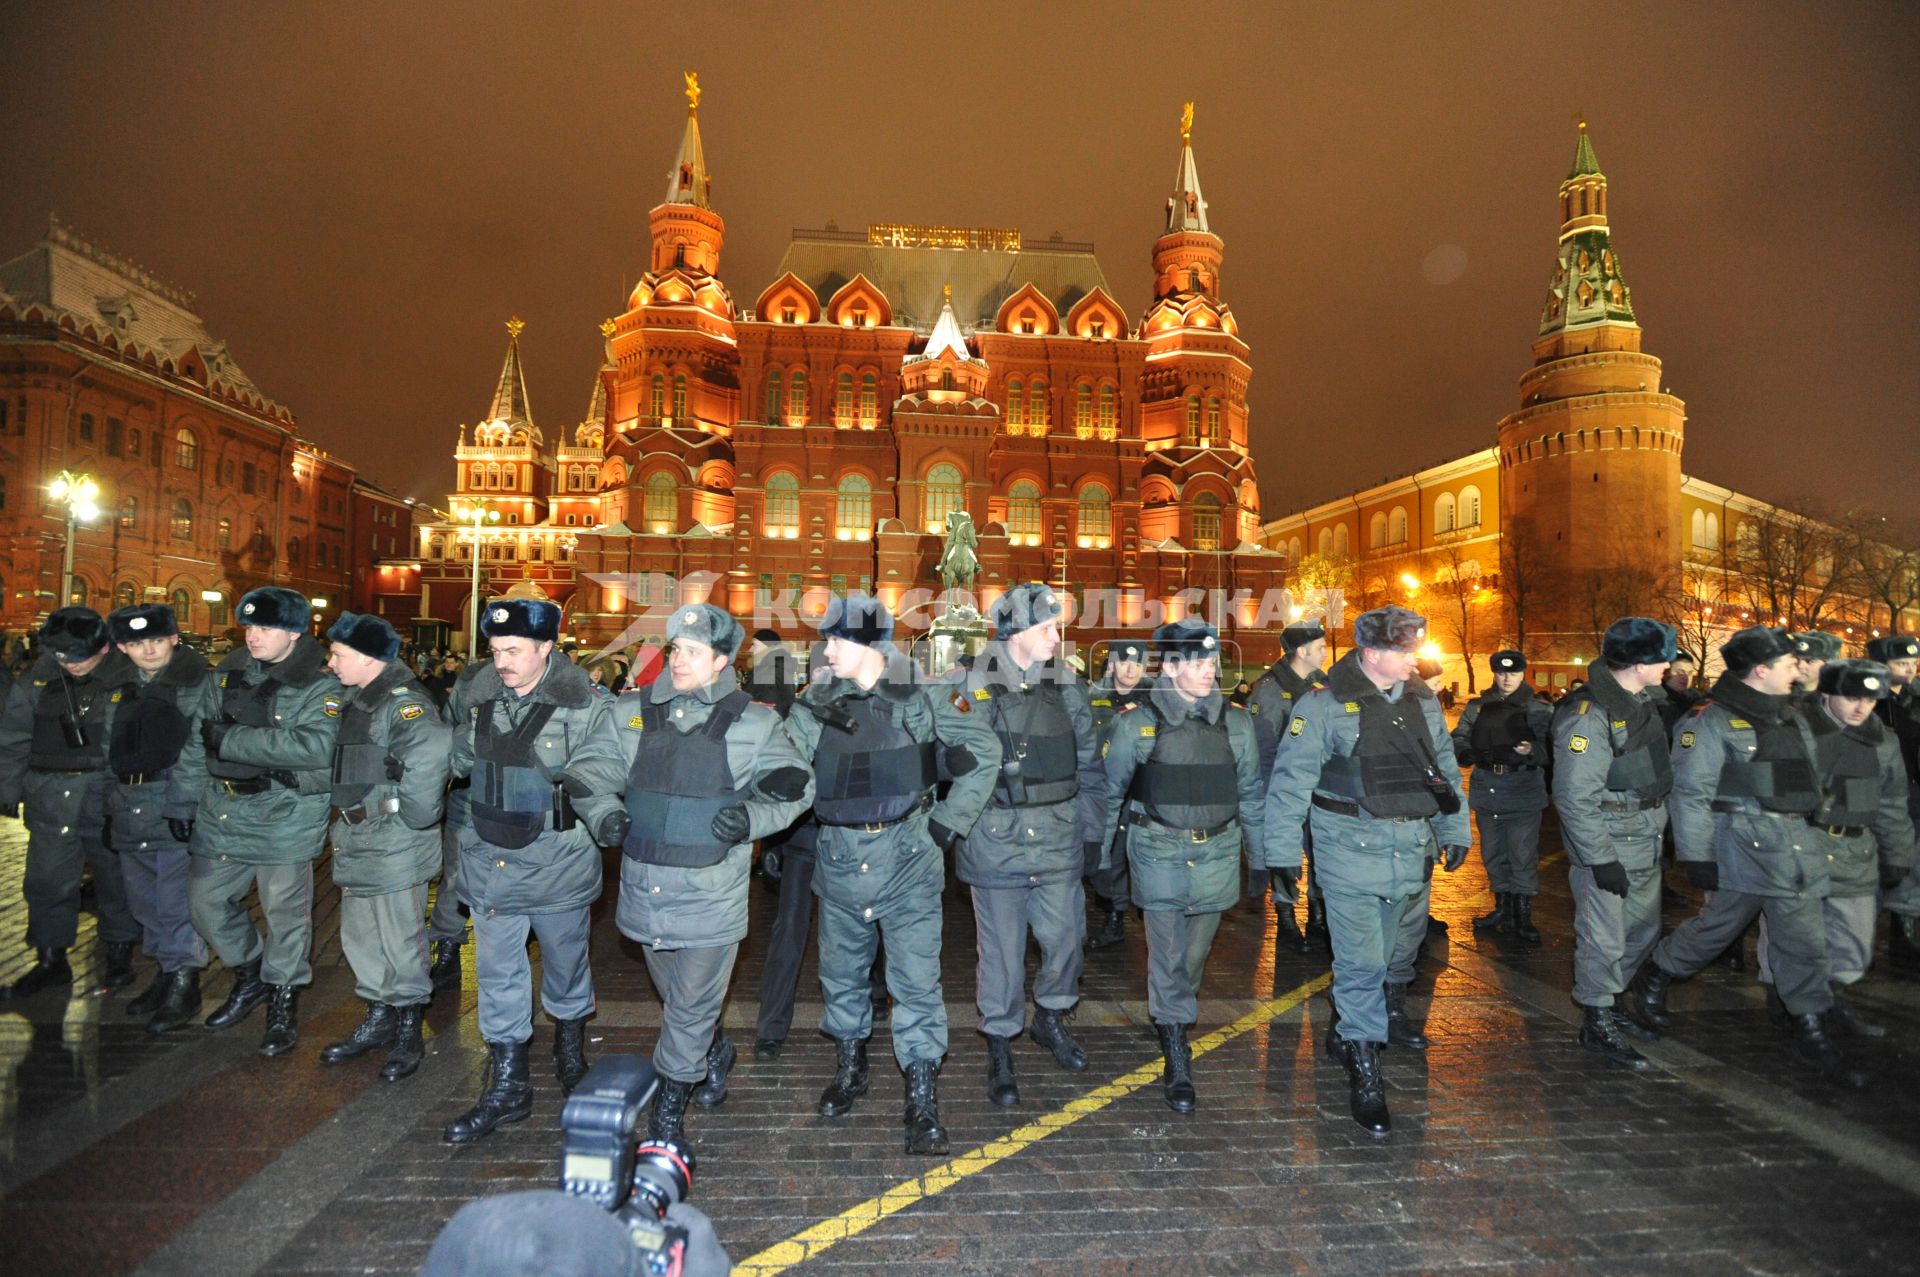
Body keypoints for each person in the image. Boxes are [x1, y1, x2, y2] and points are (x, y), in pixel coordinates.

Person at [781, 592, 1000, 1155]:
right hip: (838, 859)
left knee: (916, 983)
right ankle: (851, 1069)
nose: (825, 651)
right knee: (841, 974)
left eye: (834, 640)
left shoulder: (925, 696)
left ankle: (922, 1100)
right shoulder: (813, 704)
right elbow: (786, 770)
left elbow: (983, 751)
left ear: (866, 643)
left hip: (908, 859)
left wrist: (948, 824)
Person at [605, 604, 814, 1143]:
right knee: (681, 1001)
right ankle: (714, 1047)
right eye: (675, 649)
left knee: (690, 1007)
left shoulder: (757, 721)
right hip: (645, 889)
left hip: (710, 895)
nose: (678, 660)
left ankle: (668, 1113)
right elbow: (591, 765)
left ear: (722, 660)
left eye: (692, 652)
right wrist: (602, 811)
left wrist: (750, 819)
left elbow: (796, 783)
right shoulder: (633, 711)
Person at [1266, 606, 1468, 1138]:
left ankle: (1350, 1024)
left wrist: (1455, 831)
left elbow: (1444, 771)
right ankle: (1365, 1068)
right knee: (1360, 964)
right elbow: (1289, 784)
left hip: (1412, 849)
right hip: (1349, 848)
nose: (1414, 659)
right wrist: (1282, 854)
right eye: (1405, 651)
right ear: (1373, 653)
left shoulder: (1424, 702)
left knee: (1397, 955)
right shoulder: (1324, 706)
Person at [1630, 628, 1863, 1086]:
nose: (1798, 668)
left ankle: (1810, 1029)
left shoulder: (1793, 716)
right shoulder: (1711, 721)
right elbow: (1693, 794)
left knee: (1803, 939)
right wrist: (1699, 857)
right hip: (1742, 846)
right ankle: (1656, 973)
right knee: (1716, 929)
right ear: (1761, 670)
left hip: (1794, 845)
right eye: (1788, 663)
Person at [444, 599, 627, 1143]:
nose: (501, 661)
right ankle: (507, 1085)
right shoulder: (479, 700)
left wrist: (604, 807)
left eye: (514, 651)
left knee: (566, 968)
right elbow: (451, 759)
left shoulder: (588, 705)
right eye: (496, 650)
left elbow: (606, 765)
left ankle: (569, 1052)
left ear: (547, 648)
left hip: (558, 866)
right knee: (498, 975)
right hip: (491, 863)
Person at [1100, 619, 1263, 1114]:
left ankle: (1174, 1012)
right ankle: (1176, 1050)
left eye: (1212, 661)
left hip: (1216, 854)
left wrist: (1259, 859)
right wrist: (1101, 856)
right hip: (1158, 852)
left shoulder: (1237, 723)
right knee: (1166, 955)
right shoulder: (1135, 723)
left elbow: (1252, 794)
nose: (1209, 670)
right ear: (1169, 667)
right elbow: (1110, 794)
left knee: (1192, 960)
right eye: (1197, 662)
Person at [951, 584, 1104, 1108]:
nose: (1058, 638)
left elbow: (1090, 766)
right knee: (1002, 957)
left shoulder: (1068, 686)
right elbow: (951, 766)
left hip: (1060, 838)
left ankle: (1051, 1019)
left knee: (1066, 941)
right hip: (996, 843)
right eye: (1048, 628)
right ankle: (999, 1042)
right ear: (1016, 632)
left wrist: (1093, 836)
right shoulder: (970, 684)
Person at [186, 588, 340, 1056]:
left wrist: (232, 741)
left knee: (285, 917)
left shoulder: (321, 683)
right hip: (223, 809)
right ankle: (250, 972)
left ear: (295, 632)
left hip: (284, 814)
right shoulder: (229, 674)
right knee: (205, 902)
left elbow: (316, 747)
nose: (253, 636)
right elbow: (197, 740)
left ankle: (283, 996)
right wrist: (186, 801)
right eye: (249, 627)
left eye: (265, 628)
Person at [319, 613, 452, 1081]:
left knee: (401, 940)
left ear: (369, 658)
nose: (331, 662)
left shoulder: (403, 702)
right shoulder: (359, 700)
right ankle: (379, 1016)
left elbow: (432, 752)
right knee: (361, 936)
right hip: (358, 837)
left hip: (391, 840)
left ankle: (408, 1027)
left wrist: (413, 816)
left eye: (338, 654)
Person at [1551, 616, 1675, 1070]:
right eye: (1662, 657)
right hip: (1609, 839)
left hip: (1644, 836)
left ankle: (1613, 1001)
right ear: (1640, 661)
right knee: (1604, 938)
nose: (1669, 665)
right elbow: (1573, 795)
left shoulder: (1641, 703)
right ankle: (1596, 1017)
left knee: (1641, 930)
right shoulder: (1589, 714)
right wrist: (1599, 859)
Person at [1763, 660, 1911, 1036]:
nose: (1862, 707)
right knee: (1801, 938)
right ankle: (1800, 1010)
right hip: (1805, 844)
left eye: (1870, 700)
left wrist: (1897, 856)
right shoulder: (1796, 732)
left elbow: (1892, 803)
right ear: (1826, 693)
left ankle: (1826, 1001)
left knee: (1854, 946)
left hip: (1856, 852)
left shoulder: (1884, 742)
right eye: (1852, 697)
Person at [0, 607, 142, 998]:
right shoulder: (38, 678)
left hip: (106, 794)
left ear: (106, 647)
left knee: (115, 880)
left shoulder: (127, 676)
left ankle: (118, 955)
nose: (74, 666)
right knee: (47, 882)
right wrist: (8, 790)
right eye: (65, 658)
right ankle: (50, 960)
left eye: (83, 657)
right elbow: (14, 737)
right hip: (50, 797)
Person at [103, 603, 216, 1031]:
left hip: (173, 802)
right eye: (136, 644)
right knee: (144, 902)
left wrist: (184, 804)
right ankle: (166, 976)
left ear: (173, 639)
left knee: (175, 902)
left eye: (154, 640)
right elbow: (106, 749)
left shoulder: (198, 684)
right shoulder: (117, 686)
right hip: (129, 803)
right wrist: (106, 805)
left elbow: (200, 752)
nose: (147, 651)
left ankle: (185, 982)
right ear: (121, 647)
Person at [1452, 650, 1554, 943]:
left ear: (1523, 673)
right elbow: (1459, 736)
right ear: (1494, 673)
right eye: (1500, 673)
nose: (1506, 678)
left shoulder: (1539, 709)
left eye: (1512, 673)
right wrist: (1466, 752)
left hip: (1522, 788)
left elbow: (1551, 750)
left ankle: (1522, 915)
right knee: (1493, 854)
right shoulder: (1477, 707)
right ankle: (1503, 908)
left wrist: (1531, 751)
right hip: (1488, 788)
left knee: (1521, 855)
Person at [1246, 622, 1331, 953]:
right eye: (1320, 647)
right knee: (1285, 856)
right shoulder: (1269, 689)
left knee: (1320, 852)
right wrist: (1271, 796)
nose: (1325, 652)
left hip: (1320, 788)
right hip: (1282, 788)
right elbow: (1263, 749)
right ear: (1302, 652)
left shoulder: (1324, 684)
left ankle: (1318, 915)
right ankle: (1286, 918)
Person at [1085, 638, 1152, 950]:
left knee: (1141, 859)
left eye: (1137, 663)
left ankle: (1145, 913)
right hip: (1102, 789)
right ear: (1111, 664)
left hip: (1143, 793)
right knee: (1106, 858)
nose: (1130, 669)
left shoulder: (1156, 699)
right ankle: (1114, 915)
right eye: (1124, 662)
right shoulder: (1092, 697)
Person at [1866, 634, 1920, 975]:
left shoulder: (1915, 701)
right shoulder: (1866, 700)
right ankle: (1859, 947)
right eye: (1902, 663)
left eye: (1913, 663)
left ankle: (1905, 942)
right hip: (1874, 799)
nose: (1911, 669)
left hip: (1913, 799)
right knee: (1869, 874)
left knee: (1911, 873)